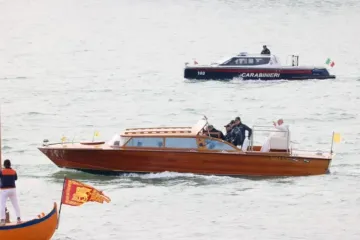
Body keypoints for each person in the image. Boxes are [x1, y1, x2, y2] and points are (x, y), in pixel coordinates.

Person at [0, 159, 21, 225]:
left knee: (2, 205)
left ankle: (3, 220)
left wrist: (1, 169)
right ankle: (18, 219)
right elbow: (15, 178)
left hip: (4, 190)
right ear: (10, 165)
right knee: (15, 204)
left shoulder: (2, 171)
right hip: (12, 190)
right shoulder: (14, 171)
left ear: (4, 165)